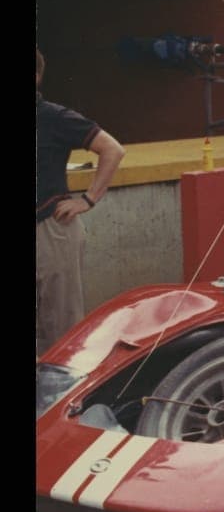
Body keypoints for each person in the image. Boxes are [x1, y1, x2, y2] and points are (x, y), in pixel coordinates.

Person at [36, 47, 126, 357]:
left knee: (60, 329)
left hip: (50, 229)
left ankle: (60, 388)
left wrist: (88, 199)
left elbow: (112, 149)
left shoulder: (54, 117)